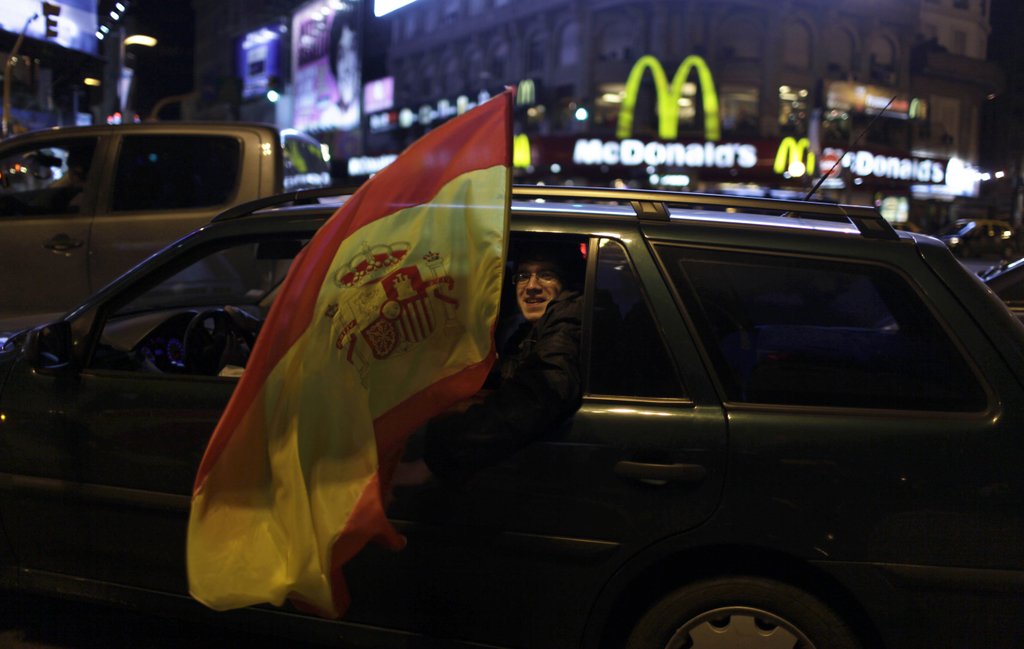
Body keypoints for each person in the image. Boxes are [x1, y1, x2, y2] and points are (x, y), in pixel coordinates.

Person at [392, 242, 584, 487]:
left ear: (566, 281)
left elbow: (542, 392)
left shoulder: (568, 320)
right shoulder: (529, 331)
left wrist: (433, 463)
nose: (531, 286)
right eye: (523, 276)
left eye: (546, 275)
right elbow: (504, 378)